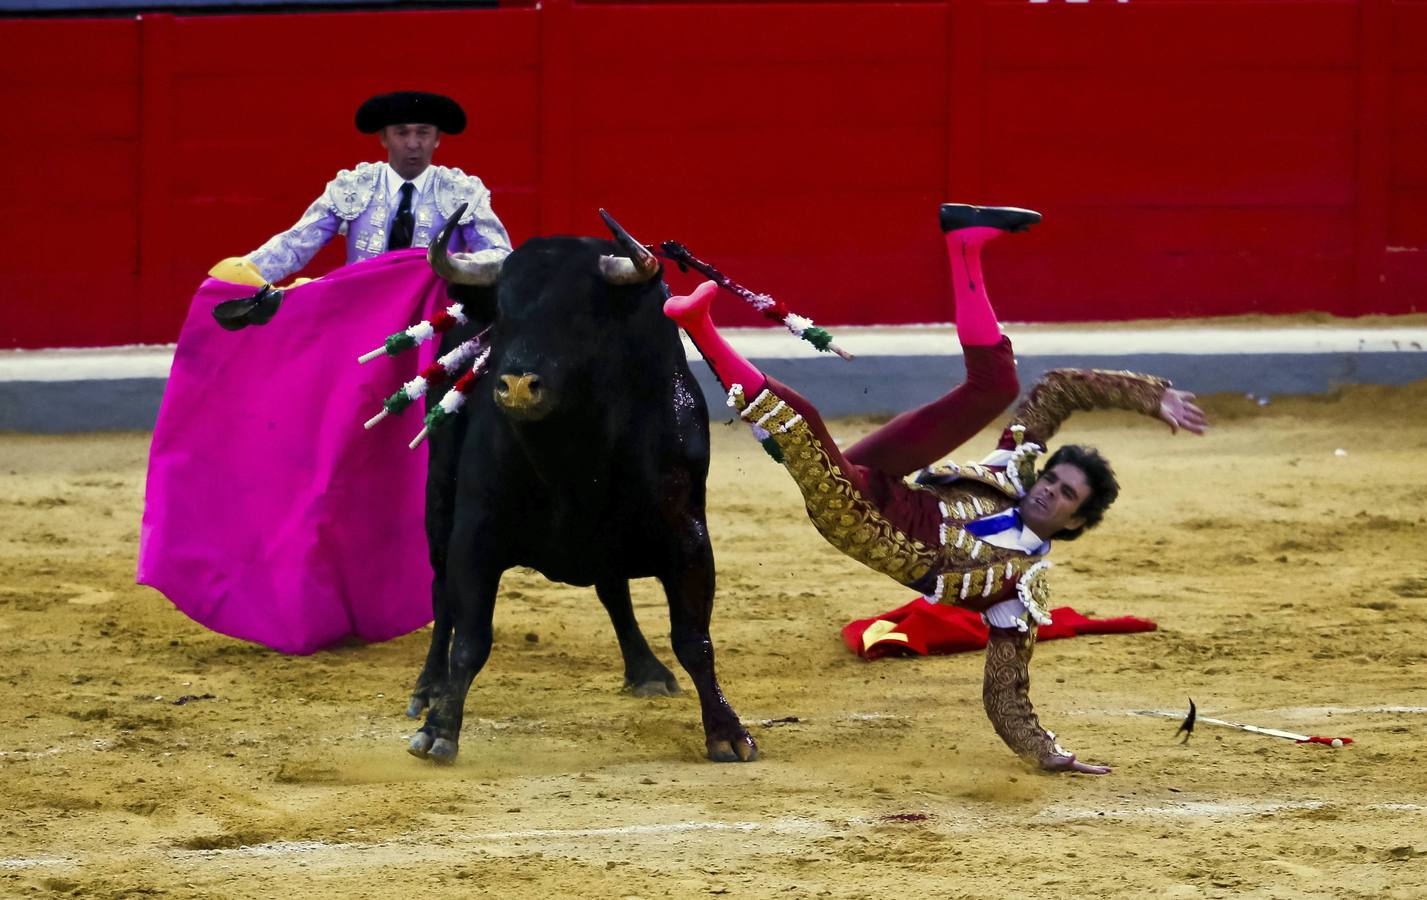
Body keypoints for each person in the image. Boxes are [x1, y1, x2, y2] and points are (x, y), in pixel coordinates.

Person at [664, 204, 1208, 774]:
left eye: (1066, 495)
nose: (1049, 491)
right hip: (890, 480)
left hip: (862, 522)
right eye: (1053, 478)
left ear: (1075, 523)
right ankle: (965, 243)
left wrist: (1049, 755)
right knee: (995, 383)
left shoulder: (1017, 592)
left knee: (803, 425)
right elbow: (1060, 390)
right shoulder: (1013, 472)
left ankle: (698, 324)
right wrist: (1150, 397)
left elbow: (1007, 697)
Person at [213, 90, 512, 289]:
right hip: (360, 310)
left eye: (423, 132)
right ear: (383, 138)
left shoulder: (461, 191)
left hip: (436, 317)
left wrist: (457, 264)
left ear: (437, 139)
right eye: (401, 133)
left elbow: (500, 256)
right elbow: (296, 243)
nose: (412, 143)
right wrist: (246, 272)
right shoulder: (355, 187)